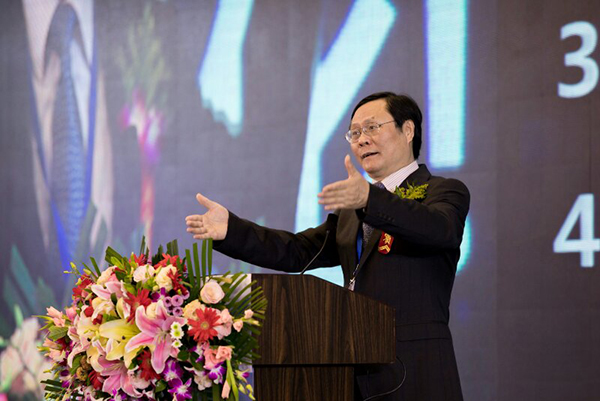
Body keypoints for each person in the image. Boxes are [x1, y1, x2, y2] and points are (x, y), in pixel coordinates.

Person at [186, 92, 469, 401]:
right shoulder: (353, 212)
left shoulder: (443, 191)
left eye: (372, 127)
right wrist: (232, 230)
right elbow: (298, 251)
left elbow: (439, 230)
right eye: (355, 133)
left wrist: (370, 199)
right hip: (350, 372)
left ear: (408, 130)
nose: (362, 139)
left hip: (417, 373)